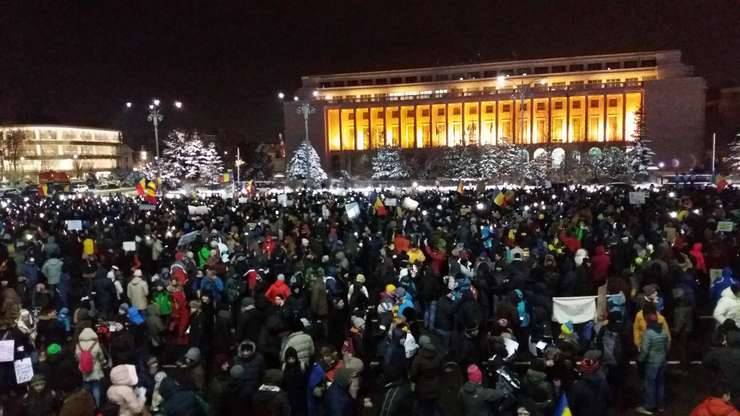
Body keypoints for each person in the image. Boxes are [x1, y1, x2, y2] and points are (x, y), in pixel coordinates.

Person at [636, 313, 670, 415]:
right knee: (660, 384)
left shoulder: (648, 333)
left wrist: (640, 360)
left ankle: (649, 406)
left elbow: (645, 351)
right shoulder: (663, 332)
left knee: (650, 385)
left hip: (651, 363)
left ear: (648, 321)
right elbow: (667, 346)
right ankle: (661, 406)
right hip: (662, 361)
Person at [569, 350, 609, 416]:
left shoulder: (578, 387)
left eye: (587, 362)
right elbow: (607, 403)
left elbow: (572, 408)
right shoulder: (604, 382)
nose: (582, 364)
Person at [75, 327, 106, 407]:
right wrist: (102, 362)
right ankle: (97, 406)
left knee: (85, 389)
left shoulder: (78, 345)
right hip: (95, 369)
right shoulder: (96, 344)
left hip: (84, 369)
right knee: (96, 388)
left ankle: (86, 407)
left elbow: (77, 357)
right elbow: (101, 356)